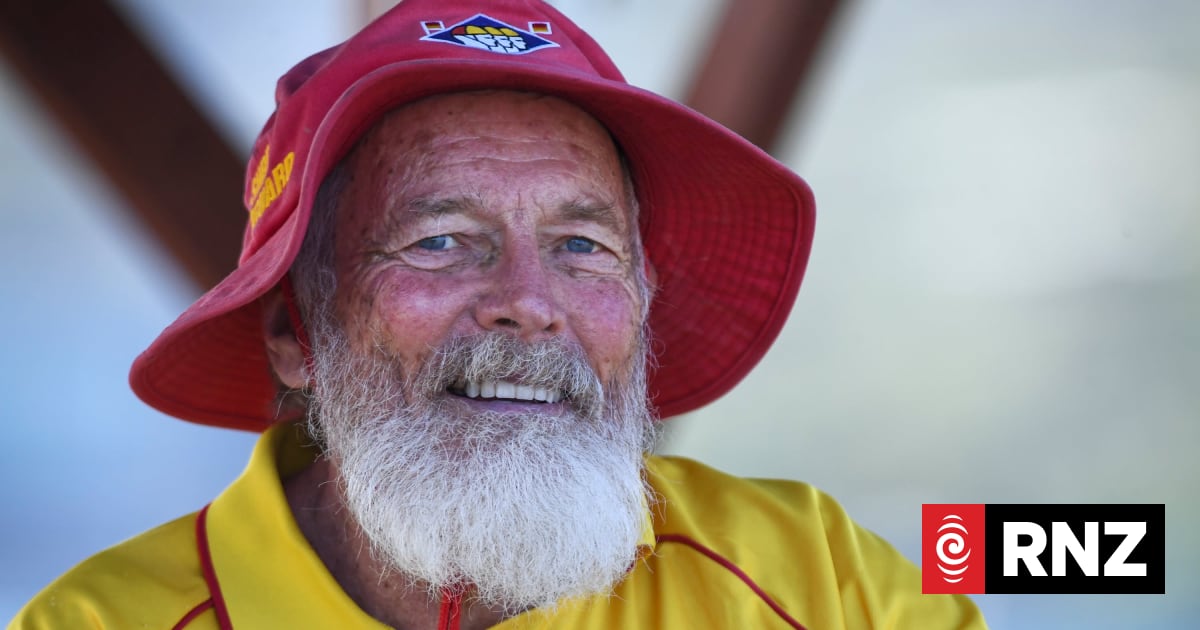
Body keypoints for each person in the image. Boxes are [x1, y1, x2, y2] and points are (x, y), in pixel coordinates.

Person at [11, 1, 985, 628]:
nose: (528, 303)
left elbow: (1103, 547)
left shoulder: (815, 581)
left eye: (582, 247)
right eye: (440, 240)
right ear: (292, 331)